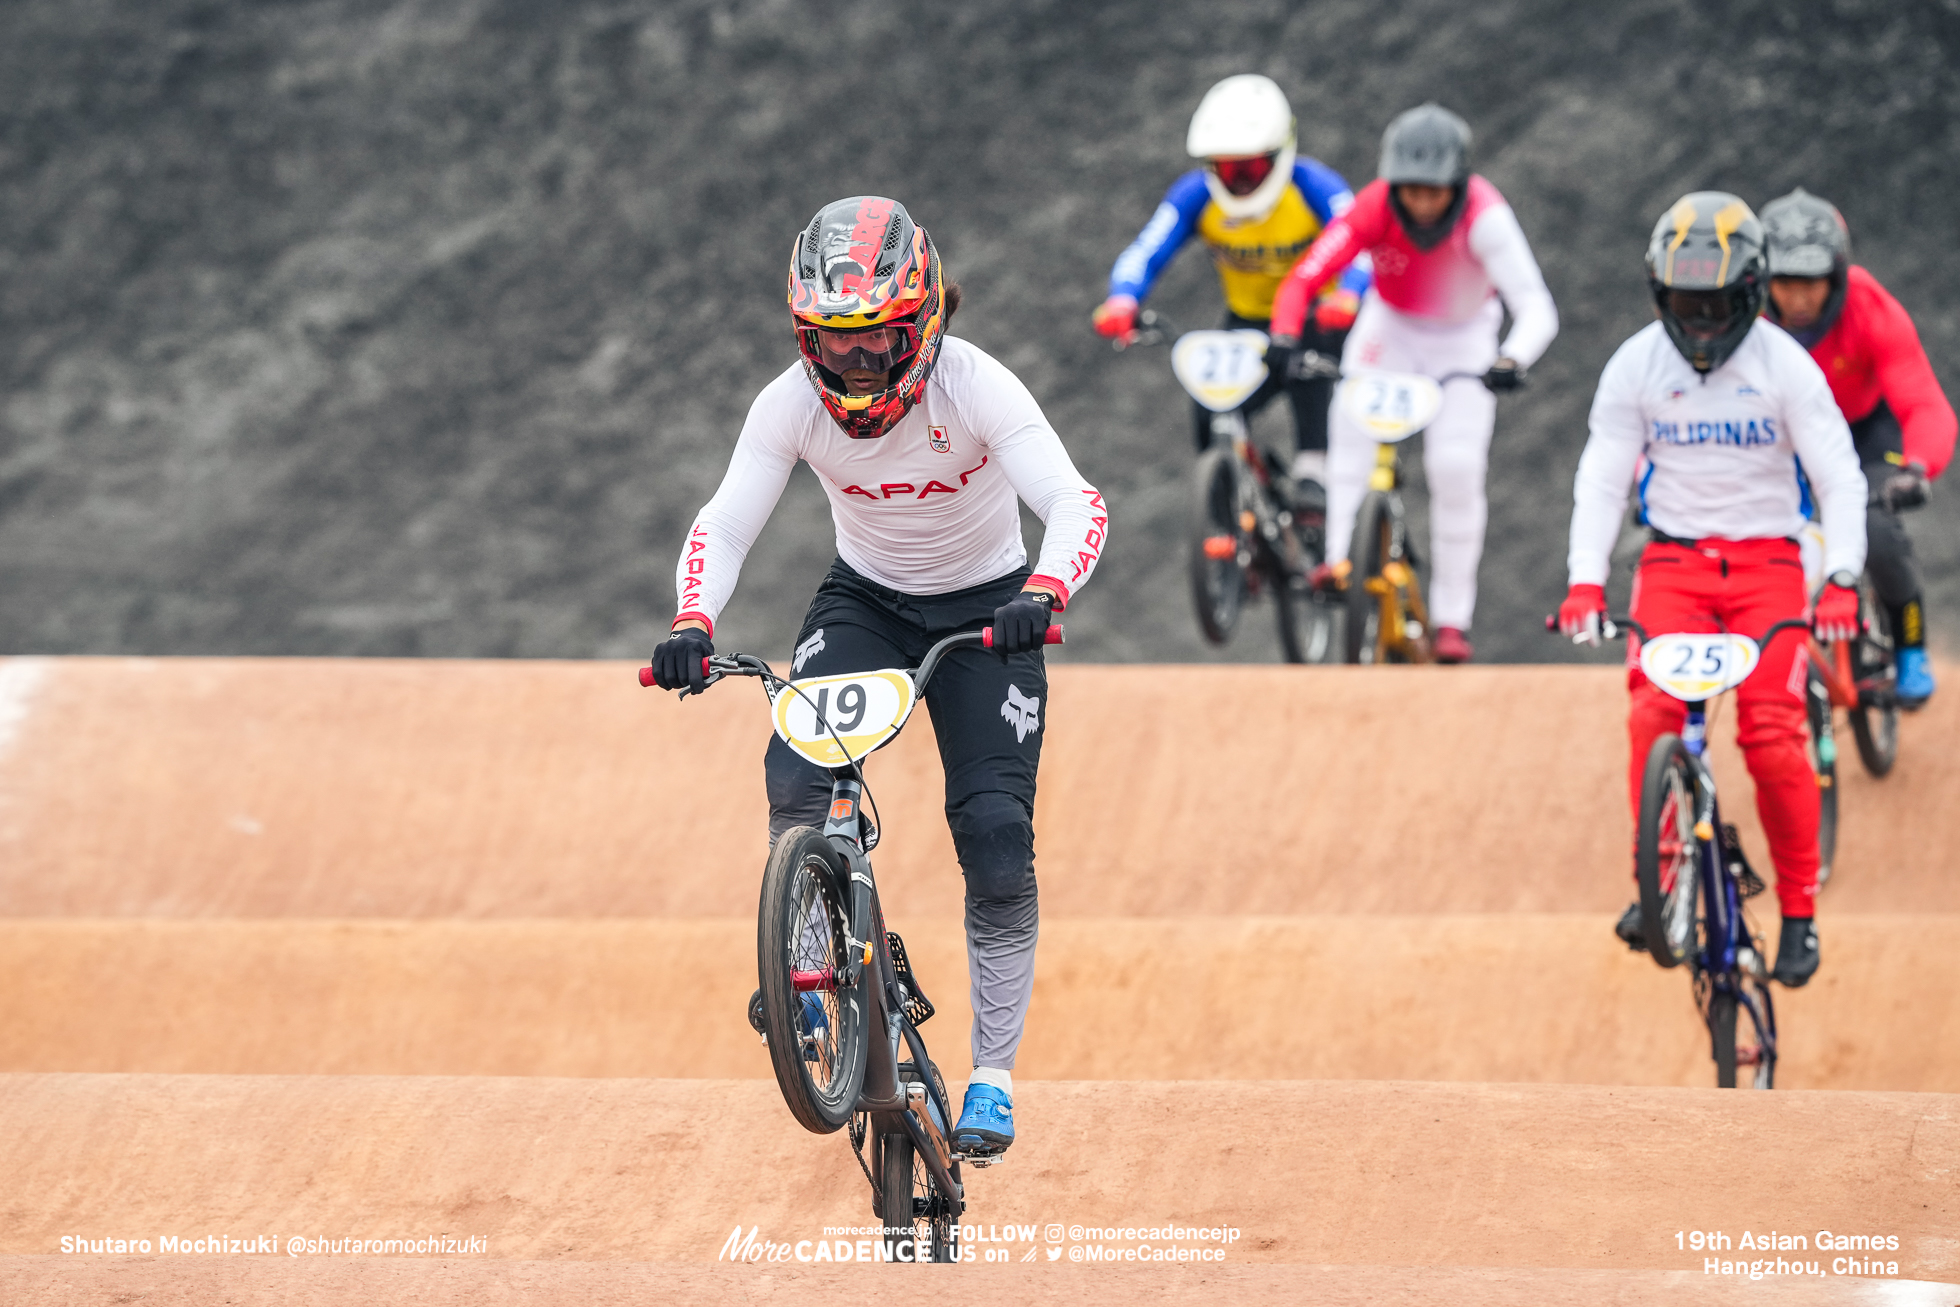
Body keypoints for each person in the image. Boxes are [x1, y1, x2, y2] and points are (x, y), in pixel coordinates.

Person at [647, 197, 1106, 1157]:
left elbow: (1074, 499)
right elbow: (724, 522)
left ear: (927, 321)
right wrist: (693, 620)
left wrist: (1048, 588)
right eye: (834, 346)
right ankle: (804, 960)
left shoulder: (978, 388)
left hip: (992, 606)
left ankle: (993, 1077)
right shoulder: (788, 404)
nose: (855, 368)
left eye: (879, 344)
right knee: (794, 772)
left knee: (992, 828)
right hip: (868, 602)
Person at [1557, 192, 1867, 988]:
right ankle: (1657, 886)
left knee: (1770, 734)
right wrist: (1585, 580)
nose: (1699, 322)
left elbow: (1839, 477)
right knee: (1651, 716)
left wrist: (1839, 578)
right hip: (1673, 564)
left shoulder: (1785, 367)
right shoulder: (1636, 365)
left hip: (1769, 565)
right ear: (1661, 294)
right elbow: (1601, 476)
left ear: (1751, 293)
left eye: (1715, 303)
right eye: (1684, 302)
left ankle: (1799, 908)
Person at [1268, 103, 1558, 664]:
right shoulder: (1372, 206)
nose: (1423, 203)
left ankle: (1453, 619)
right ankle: (1337, 559)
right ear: (1392, 184)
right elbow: (1304, 278)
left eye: (1436, 191)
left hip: (1466, 337)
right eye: (1411, 190)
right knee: (1348, 437)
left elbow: (1537, 308)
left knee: (1456, 467)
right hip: (1391, 328)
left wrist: (1511, 358)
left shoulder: (1486, 217)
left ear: (1459, 183)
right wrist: (1283, 337)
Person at [1092, 73, 1371, 481]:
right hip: (1247, 319)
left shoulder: (1314, 186)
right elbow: (1146, 250)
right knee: (1210, 409)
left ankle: (1315, 474)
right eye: (1226, 169)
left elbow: (1360, 244)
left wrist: (1348, 293)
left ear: (1279, 153)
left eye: (1251, 167)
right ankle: (1233, 498)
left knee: (1307, 376)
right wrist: (1123, 298)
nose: (1239, 183)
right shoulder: (1197, 195)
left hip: (1319, 318)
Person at [1760, 187, 1954, 709]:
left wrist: (1917, 468)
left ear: (1838, 278)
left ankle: (1910, 645)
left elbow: (1924, 403)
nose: (1798, 301)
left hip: (1864, 432)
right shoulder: (1748, 323)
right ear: (1761, 280)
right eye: (1784, 285)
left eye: (1812, 285)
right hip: (1784, 442)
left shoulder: (1869, 307)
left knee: (1876, 527)